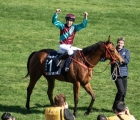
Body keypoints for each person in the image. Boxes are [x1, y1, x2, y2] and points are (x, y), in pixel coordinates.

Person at [111, 37, 130, 111]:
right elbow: (106, 57)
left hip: (124, 73)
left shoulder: (126, 51)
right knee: (121, 91)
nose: (120, 44)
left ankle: (120, 107)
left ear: (123, 44)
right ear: (117, 43)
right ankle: (115, 107)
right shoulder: (113, 50)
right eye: (119, 42)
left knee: (123, 93)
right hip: (116, 74)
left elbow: (127, 61)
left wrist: (119, 59)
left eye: (121, 43)